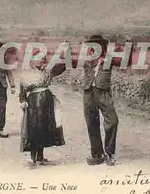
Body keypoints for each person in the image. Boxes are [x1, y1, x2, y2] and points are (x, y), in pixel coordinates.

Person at [79, 35, 133, 166]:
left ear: (102, 46)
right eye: (92, 45)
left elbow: (125, 62)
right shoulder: (86, 59)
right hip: (88, 94)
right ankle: (96, 155)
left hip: (103, 93)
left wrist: (129, 46)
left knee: (112, 121)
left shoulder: (108, 58)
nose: (94, 48)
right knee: (92, 123)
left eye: (97, 45)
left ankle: (109, 153)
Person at [18, 48, 67, 167]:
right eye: (38, 59)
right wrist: (23, 101)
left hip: (46, 102)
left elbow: (60, 69)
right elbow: (22, 92)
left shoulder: (46, 72)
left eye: (42, 59)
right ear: (32, 61)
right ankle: (33, 158)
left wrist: (63, 57)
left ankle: (40, 156)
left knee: (44, 128)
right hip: (34, 104)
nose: (41, 61)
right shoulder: (26, 74)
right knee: (34, 129)